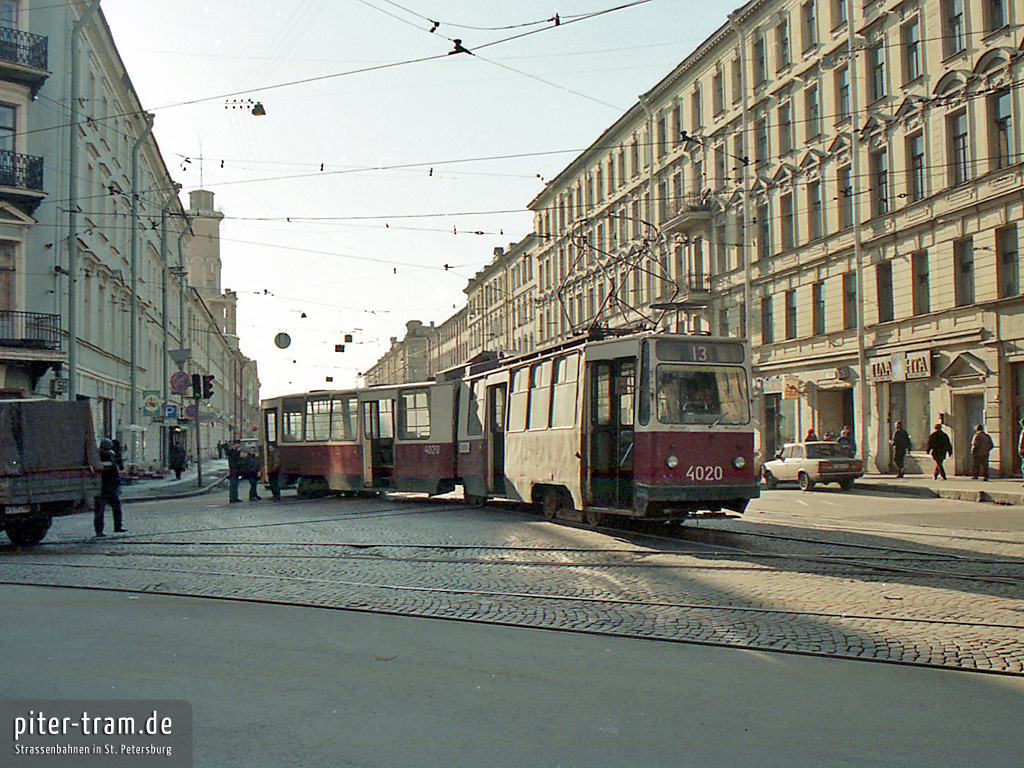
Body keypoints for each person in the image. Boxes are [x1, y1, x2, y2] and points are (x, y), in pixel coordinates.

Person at [94, 438, 125, 537]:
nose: (106, 451)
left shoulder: (112, 455)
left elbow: (117, 469)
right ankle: (99, 531)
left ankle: (118, 527)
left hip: (111, 485)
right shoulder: (97, 456)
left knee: (117, 507)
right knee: (99, 510)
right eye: (105, 449)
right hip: (101, 486)